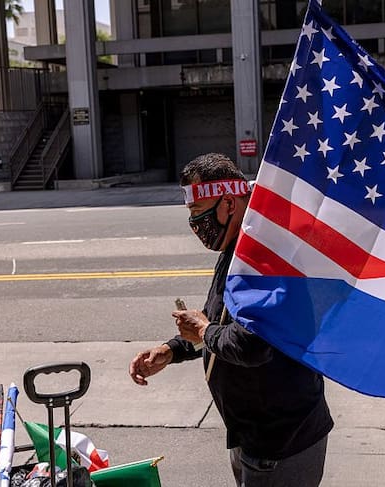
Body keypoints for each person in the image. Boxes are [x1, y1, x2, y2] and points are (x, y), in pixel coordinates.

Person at [129, 153, 333, 487]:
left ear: (228, 203)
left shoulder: (264, 257)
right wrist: (172, 350)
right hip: (251, 435)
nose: (195, 223)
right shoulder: (236, 248)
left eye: (198, 212)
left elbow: (250, 344)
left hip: (279, 443)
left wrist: (203, 330)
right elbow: (219, 320)